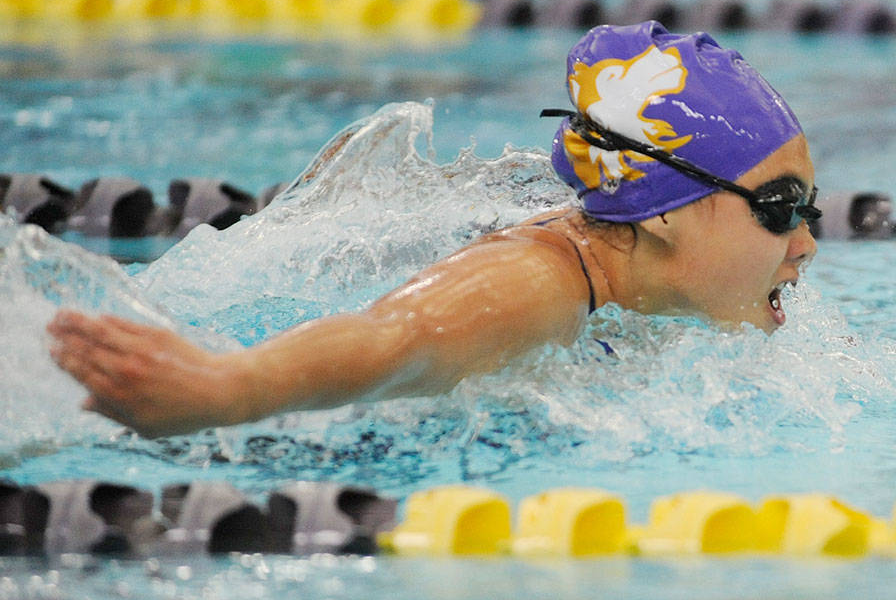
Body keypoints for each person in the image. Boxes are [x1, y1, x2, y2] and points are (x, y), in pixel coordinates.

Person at [48, 22, 820, 438]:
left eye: (810, 211)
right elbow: (401, 335)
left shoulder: (640, 274)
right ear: (661, 209)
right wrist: (222, 388)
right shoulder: (535, 285)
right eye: (779, 209)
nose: (806, 245)